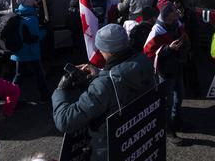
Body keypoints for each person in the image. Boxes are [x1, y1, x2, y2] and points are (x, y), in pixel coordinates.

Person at [52, 24, 156, 161]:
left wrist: (60, 90)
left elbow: (65, 121)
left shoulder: (104, 85)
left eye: (100, 48)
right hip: (138, 140)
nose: (99, 51)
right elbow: (122, 77)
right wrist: (100, 73)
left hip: (110, 148)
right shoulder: (143, 61)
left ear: (108, 51)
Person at [142, 2, 188, 145]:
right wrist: (169, 49)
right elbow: (148, 51)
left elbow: (183, 35)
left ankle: (176, 121)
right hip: (165, 72)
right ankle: (167, 129)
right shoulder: (157, 30)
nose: (177, 13)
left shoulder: (176, 24)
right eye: (174, 11)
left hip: (177, 67)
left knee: (179, 96)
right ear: (168, 15)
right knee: (167, 102)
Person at [10, 0, 49, 102]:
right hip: (31, 52)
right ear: (32, 3)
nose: (38, 3)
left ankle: (11, 99)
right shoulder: (31, 19)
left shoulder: (19, 14)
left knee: (19, 76)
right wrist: (45, 30)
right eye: (36, 2)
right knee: (39, 75)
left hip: (19, 52)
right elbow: (35, 38)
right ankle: (45, 96)